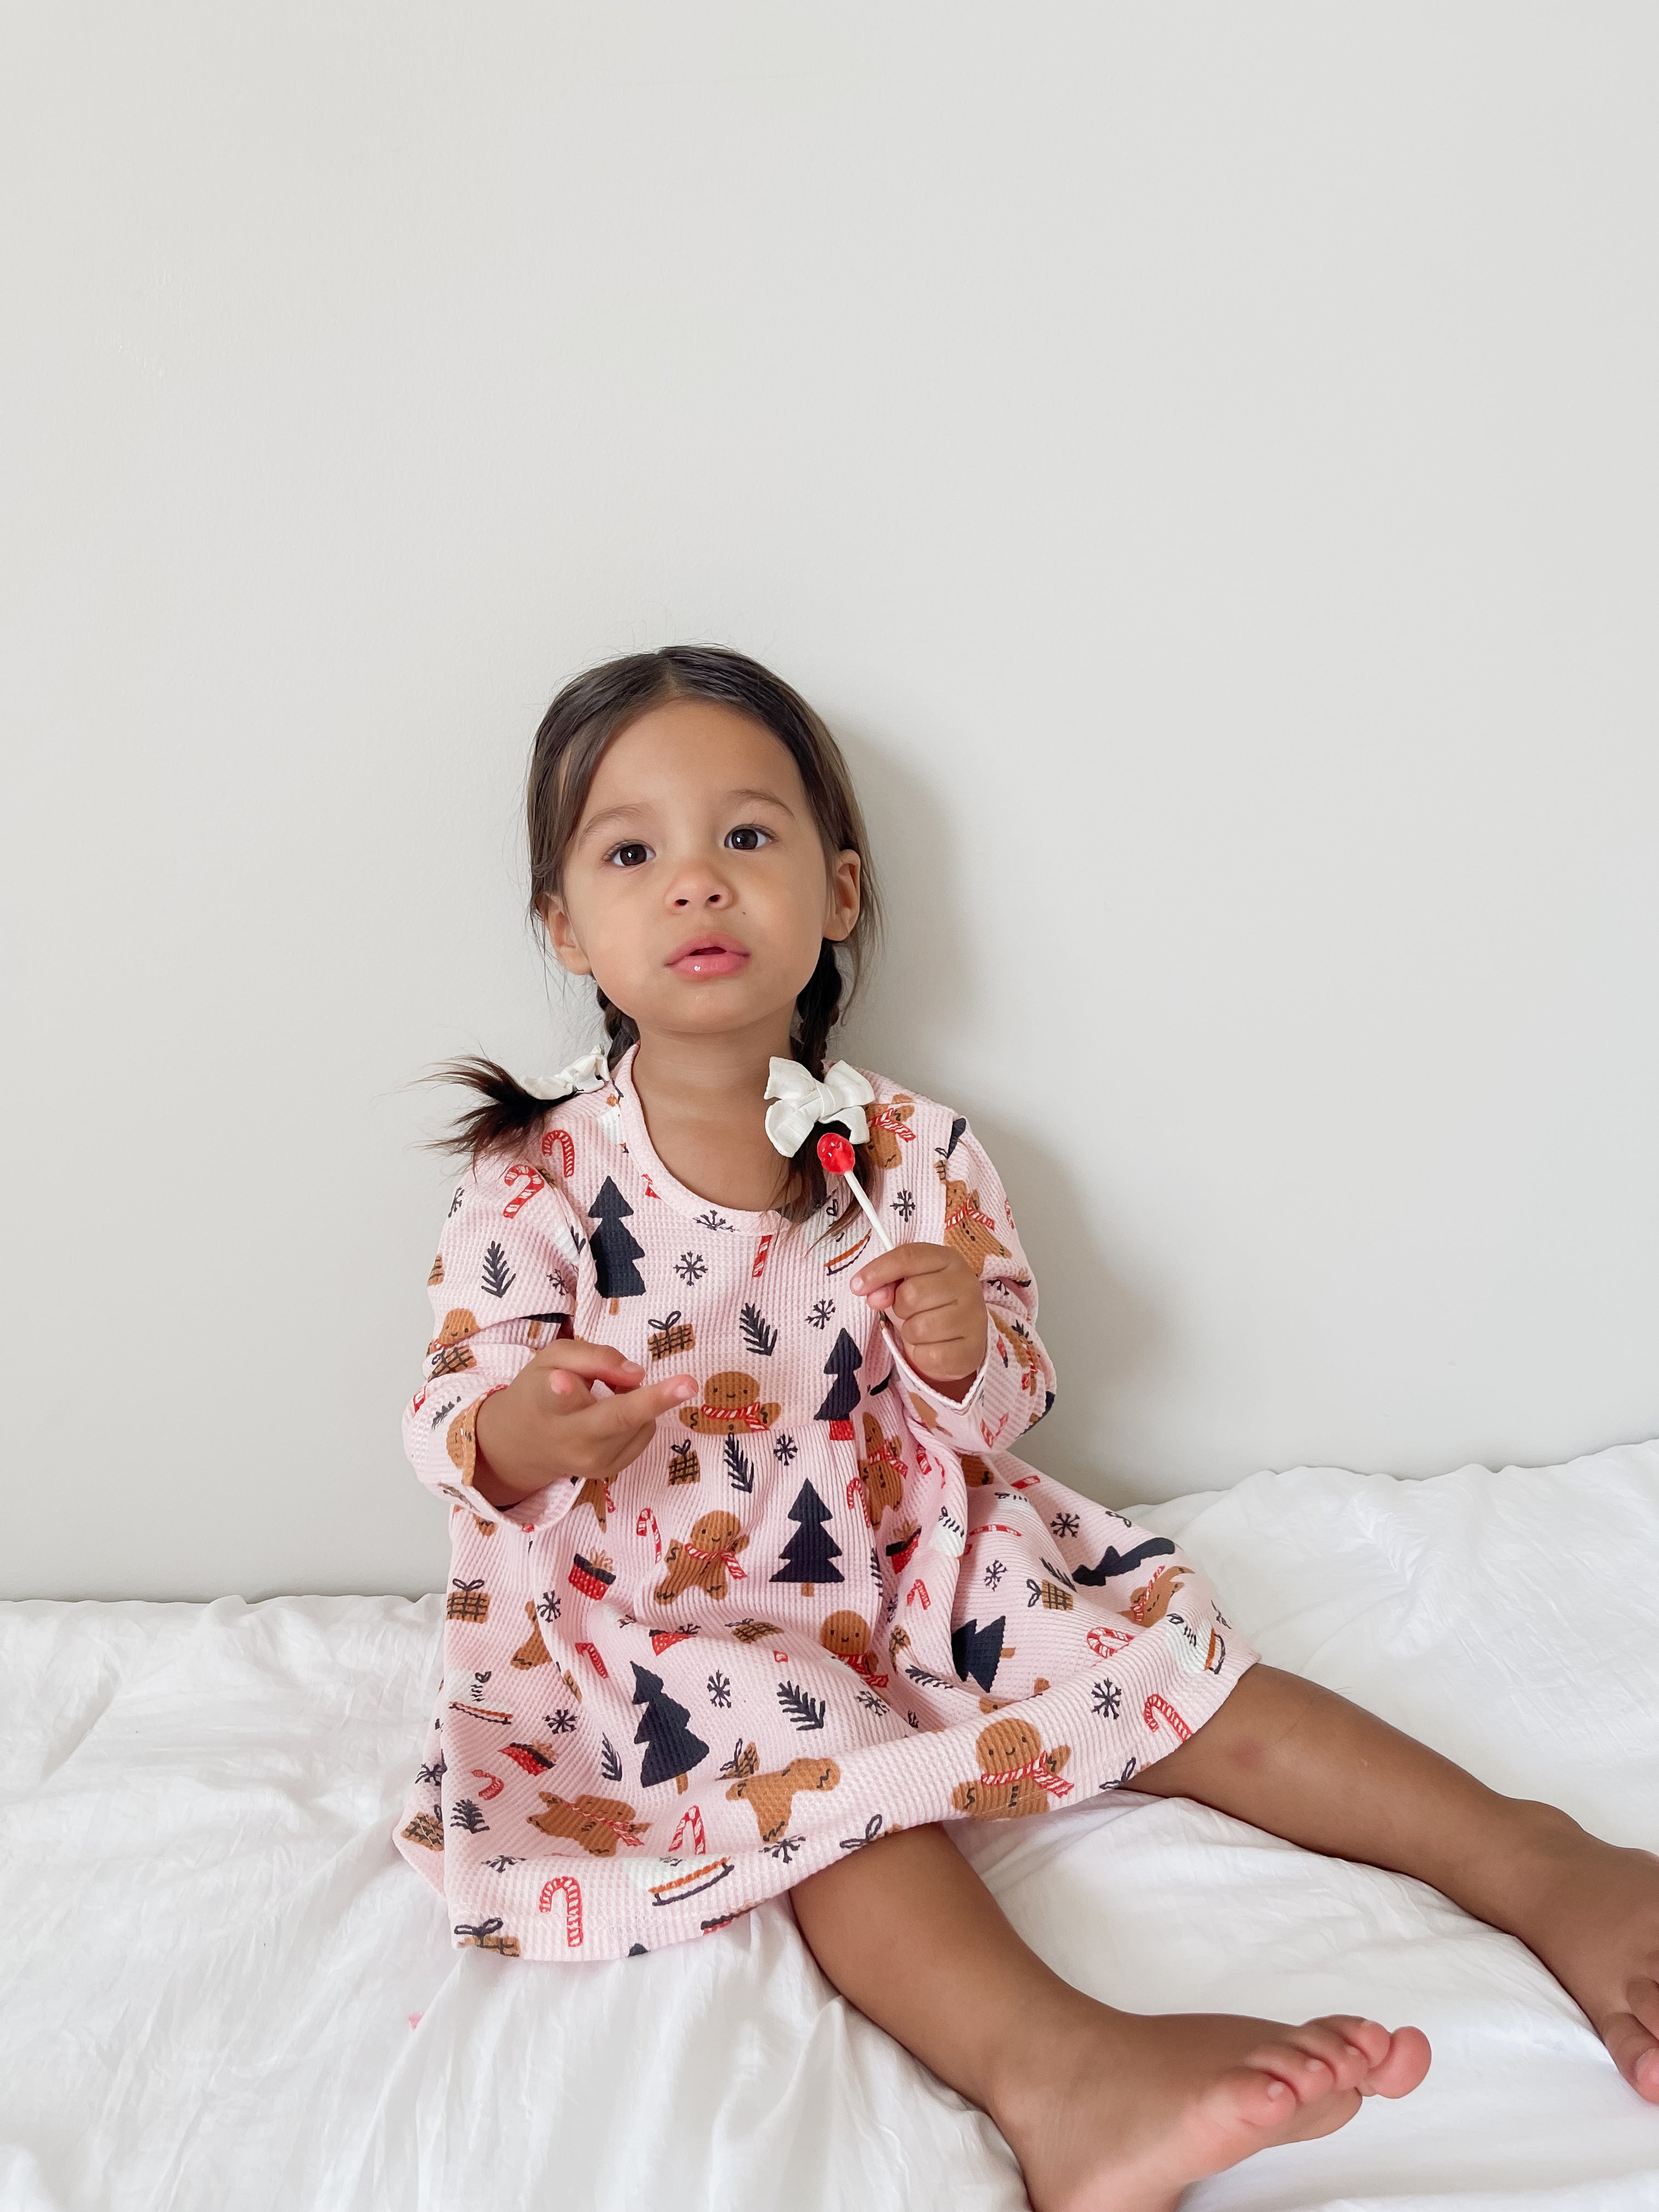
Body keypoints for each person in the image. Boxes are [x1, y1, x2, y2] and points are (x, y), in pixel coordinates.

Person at [392, 645, 1659, 2211]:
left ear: (839, 892)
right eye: (633, 852)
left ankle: (1537, 1859)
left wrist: (957, 1343)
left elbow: (1004, 1404)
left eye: (750, 837)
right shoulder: (534, 1178)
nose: (699, 887)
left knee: (1163, 1677)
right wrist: (532, 1425)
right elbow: (459, 1421)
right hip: (676, 1616)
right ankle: (1061, 2069)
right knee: (819, 1790)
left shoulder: (913, 1151)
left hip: (920, 1553)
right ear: (564, 925)